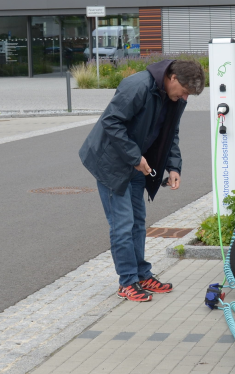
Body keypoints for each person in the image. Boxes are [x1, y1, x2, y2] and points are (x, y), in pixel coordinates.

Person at [79, 59, 205, 302]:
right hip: (112, 163)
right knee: (122, 224)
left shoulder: (174, 97)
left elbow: (171, 131)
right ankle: (127, 282)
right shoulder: (137, 86)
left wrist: (173, 166)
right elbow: (111, 121)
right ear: (173, 78)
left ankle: (141, 275)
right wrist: (135, 157)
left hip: (137, 163)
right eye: (184, 91)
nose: (184, 98)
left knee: (137, 222)